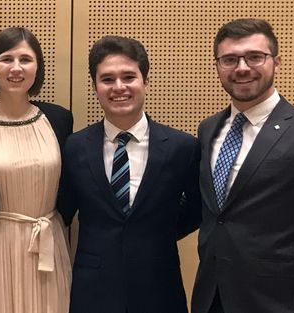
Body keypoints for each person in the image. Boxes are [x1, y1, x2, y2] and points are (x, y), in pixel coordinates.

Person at [191, 18, 294, 313]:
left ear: (276, 62)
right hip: (212, 297)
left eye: (255, 57)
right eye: (230, 59)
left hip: (282, 302)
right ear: (217, 66)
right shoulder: (208, 130)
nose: (242, 68)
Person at [60, 35, 201, 313]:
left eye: (128, 77)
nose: (119, 87)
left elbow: (197, 209)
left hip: (159, 285)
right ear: (95, 85)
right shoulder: (75, 146)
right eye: (108, 79)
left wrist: (156, 234)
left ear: (145, 81)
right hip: (93, 288)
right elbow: (63, 210)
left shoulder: (181, 146)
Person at [0, 26, 74, 313]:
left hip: (46, 241)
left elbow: (71, 187)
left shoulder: (59, 119)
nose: (16, 68)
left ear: (37, 68)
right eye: (6, 59)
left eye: (25, 59)